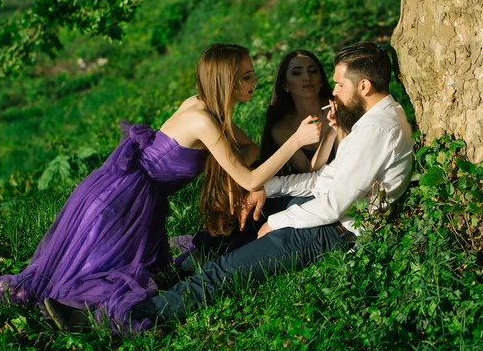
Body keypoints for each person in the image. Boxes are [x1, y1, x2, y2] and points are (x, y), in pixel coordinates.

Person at [0, 44, 322, 333]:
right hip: (121, 200)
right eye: (247, 76)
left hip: (135, 195)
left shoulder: (207, 108)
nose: (255, 82)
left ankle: (73, 311)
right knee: (101, 271)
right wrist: (295, 141)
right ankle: (79, 314)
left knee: (116, 268)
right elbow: (249, 177)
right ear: (228, 81)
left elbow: (249, 150)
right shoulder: (202, 119)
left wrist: (236, 167)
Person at [124, 40, 415, 322]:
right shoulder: (370, 121)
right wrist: (265, 189)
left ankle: (138, 317)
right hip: (324, 211)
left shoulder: (377, 130)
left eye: (339, 84)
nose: (334, 91)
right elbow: (325, 178)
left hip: (334, 231)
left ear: (363, 86)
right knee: (242, 214)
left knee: (222, 271)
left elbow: (334, 205)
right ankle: (167, 275)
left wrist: (277, 222)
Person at [179, 50, 341, 263]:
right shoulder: (282, 127)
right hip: (306, 184)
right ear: (285, 85)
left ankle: (218, 247)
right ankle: (207, 245)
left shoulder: (339, 109)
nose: (307, 78)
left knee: (260, 193)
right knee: (251, 192)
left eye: (313, 71)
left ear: (322, 79)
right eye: (297, 73)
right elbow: (308, 169)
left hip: (333, 188)